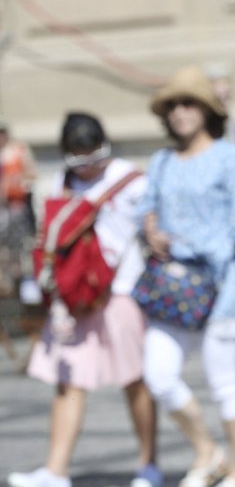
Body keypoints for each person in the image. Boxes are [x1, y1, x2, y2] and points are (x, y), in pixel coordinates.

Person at [6, 113, 161, 487]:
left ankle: (148, 465)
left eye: (95, 156)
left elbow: (153, 230)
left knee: (135, 381)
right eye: (79, 159)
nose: (89, 167)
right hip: (76, 297)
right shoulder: (62, 180)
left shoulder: (132, 180)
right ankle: (55, 470)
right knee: (67, 381)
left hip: (121, 292)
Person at [139, 66, 235, 487]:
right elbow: (146, 208)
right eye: (172, 105)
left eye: (187, 102)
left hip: (223, 284)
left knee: (224, 383)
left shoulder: (227, 156)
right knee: (158, 375)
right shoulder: (161, 160)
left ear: (206, 110)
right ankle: (208, 452)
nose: (179, 111)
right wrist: (151, 230)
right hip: (172, 286)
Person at [0, 118, 37, 297]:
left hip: (16, 207)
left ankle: (20, 283)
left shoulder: (18, 150)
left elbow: (32, 174)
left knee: (19, 247)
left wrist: (17, 181)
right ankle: (4, 285)